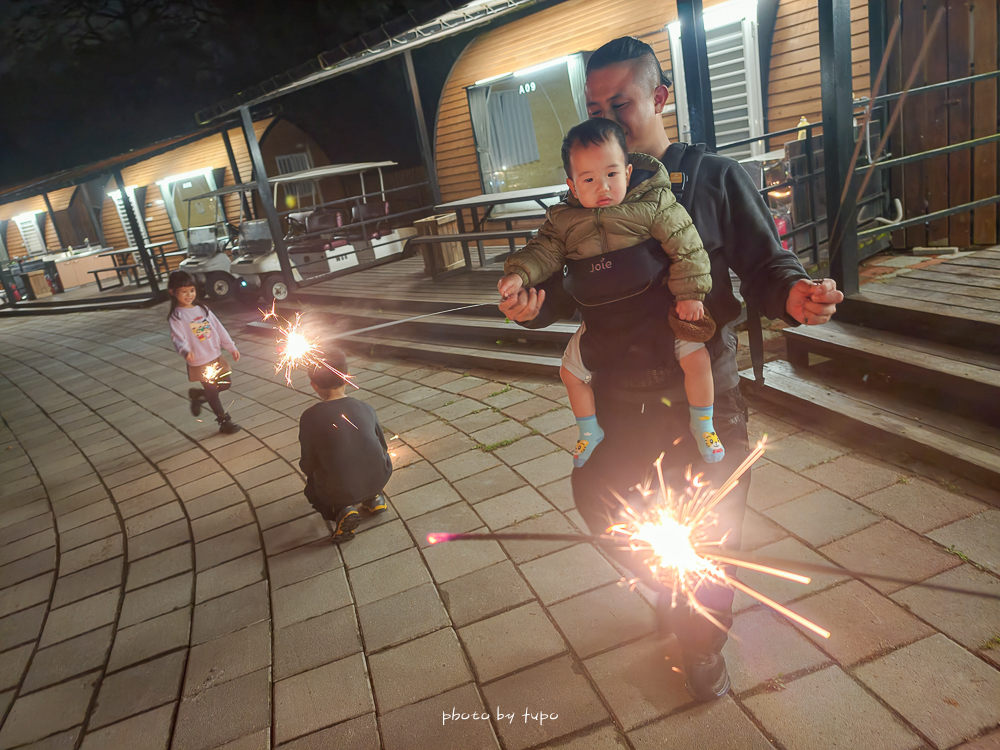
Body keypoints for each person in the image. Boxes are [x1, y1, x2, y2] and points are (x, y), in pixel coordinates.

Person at [499, 37, 843, 702]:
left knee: (710, 532)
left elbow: (766, 265)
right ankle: (667, 581)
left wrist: (795, 295)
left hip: (701, 392)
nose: (607, 118)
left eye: (620, 103)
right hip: (619, 399)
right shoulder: (583, 199)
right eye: (594, 107)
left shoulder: (713, 178)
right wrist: (530, 304)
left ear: (659, 98)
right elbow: (565, 286)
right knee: (602, 501)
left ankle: (703, 643)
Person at [498, 118, 724, 467]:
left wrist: (690, 294)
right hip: (601, 319)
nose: (603, 186)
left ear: (628, 172)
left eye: (612, 174)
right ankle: (589, 430)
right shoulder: (563, 222)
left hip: (655, 314)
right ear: (573, 186)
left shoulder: (653, 203)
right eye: (589, 179)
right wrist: (518, 274)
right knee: (570, 373)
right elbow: (542, 252)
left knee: (697, 358)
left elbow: (688, 246)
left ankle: (703, 423)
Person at [298, 350, 392, 543]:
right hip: (379, 476)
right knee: (362, 459)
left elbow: (308, 462)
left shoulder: (310, 417)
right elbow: (382, 445)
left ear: (314, 385)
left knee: (312, 489)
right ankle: (375, 498)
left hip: (338, 488)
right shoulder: (365, 407)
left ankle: (341, 509)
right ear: (347, 378)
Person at [167, 270, 241, 435]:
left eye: (192, 290)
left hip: (215, 356)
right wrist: (185, 351)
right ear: (173, 292)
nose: (189, 295)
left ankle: (200, 395)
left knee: (226, 383)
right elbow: (177, 338)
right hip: (199, 361)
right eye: (184, 291)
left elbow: (219, 328)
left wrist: (230, 346)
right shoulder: (177, 317)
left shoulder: (202, 309)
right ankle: (224, 422)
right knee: (212, 392)